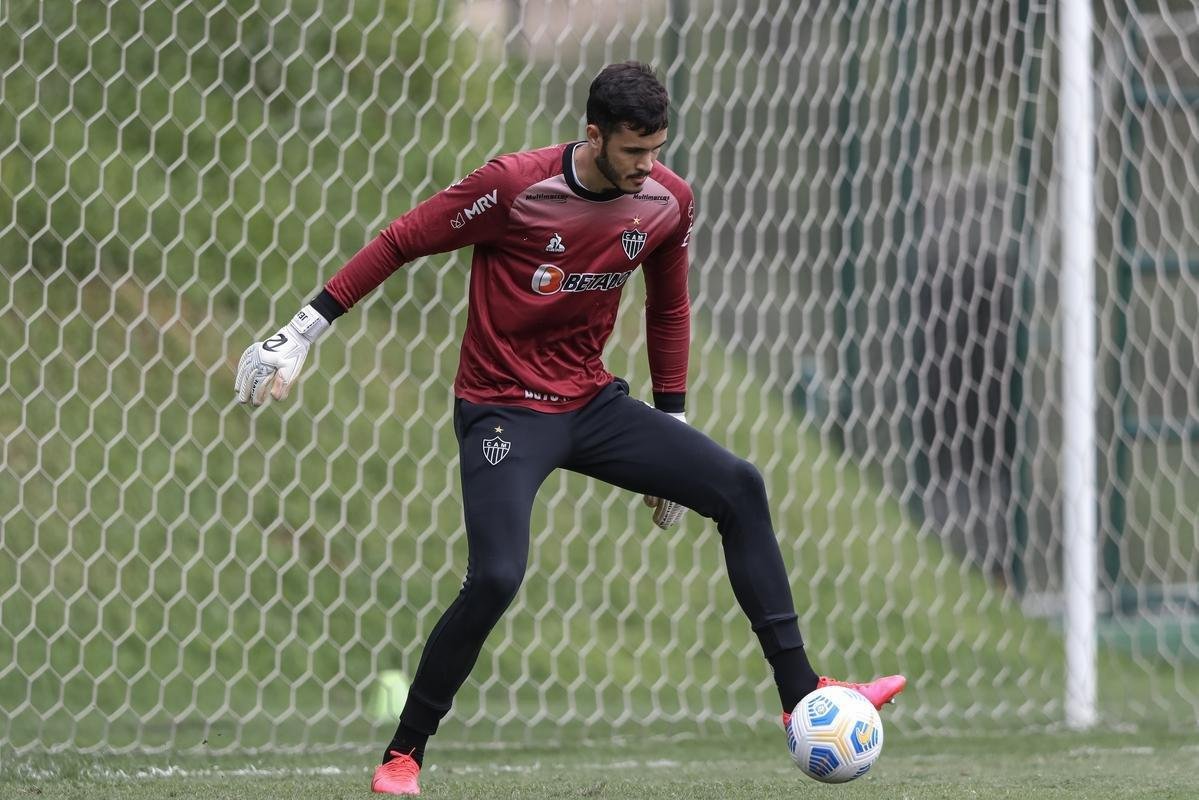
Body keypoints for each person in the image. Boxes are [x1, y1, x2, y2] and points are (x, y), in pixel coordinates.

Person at [234, 61, 905, 796]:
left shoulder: (664, 202)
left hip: (591, 405)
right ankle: (404, 754)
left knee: (739, 487)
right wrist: (300, 332)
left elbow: (668, 309)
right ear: (593, 135)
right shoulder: (512, 187)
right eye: (633, 153)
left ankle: (802, 696)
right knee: (495, 575)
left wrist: (671, 429)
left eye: (656, 151)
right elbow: (400, 241)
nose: (648, 167)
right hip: (503, 409)